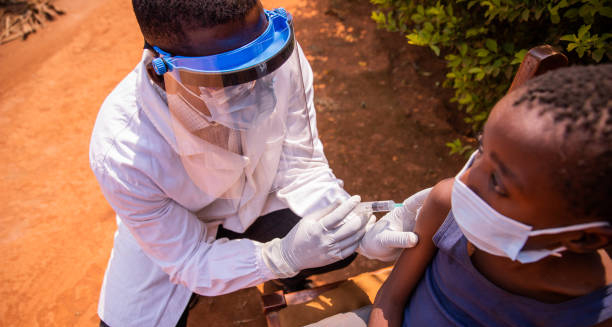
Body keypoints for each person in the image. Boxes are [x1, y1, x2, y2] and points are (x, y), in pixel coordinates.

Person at [89, 1, 423, 326]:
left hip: (258, 197)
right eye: (230, 78)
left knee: (338, 244)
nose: (260, 87)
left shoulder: (277, 56)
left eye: (261, 64)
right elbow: (187, 259)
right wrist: (281, 257)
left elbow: (303, 166)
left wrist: (362, 232)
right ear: (159, 72)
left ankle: (287, 283)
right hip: (179, 226)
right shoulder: (123, 151)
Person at [369, 65, 612, 327]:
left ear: (583, 237)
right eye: (482, 148)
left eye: (497, 182)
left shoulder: (594, 310)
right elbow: (390, 300)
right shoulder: (445, 204)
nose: (465, 179)